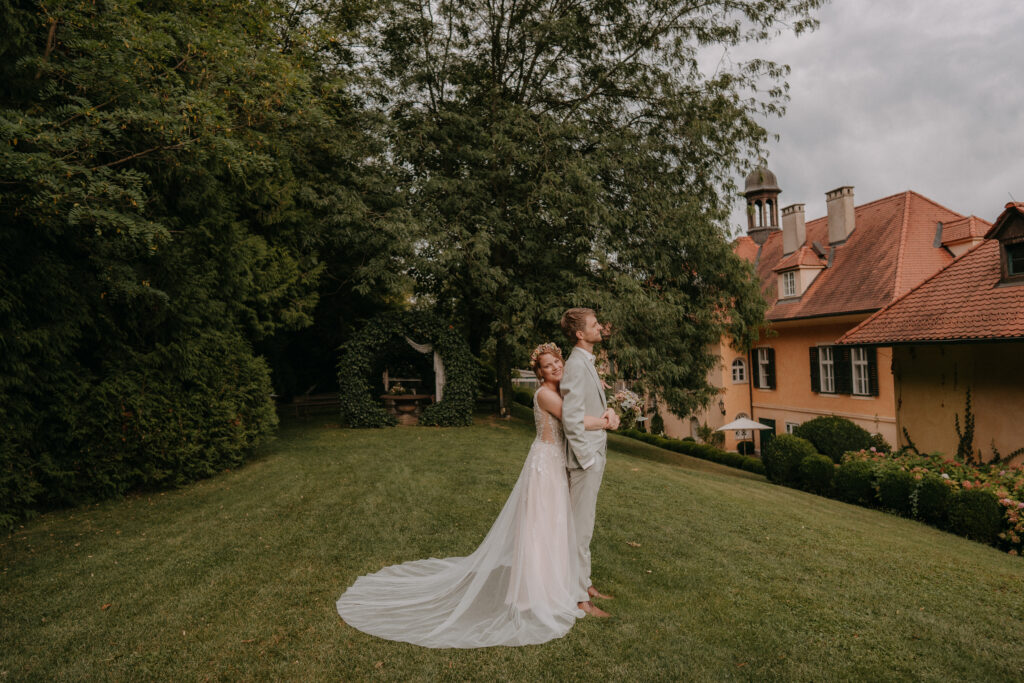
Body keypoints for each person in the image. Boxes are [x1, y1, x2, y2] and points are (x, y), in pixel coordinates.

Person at [336, 342, 612, 648]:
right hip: (546, 464)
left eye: (557, 362)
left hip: (557, 462)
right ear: (538, 372)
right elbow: (573, 420)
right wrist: (604, 421)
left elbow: (577, 405)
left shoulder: (561, 390)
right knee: (541, 526)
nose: (555, 368)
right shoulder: (546, 394)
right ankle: (535, 590)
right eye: (547, 366)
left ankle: (557, 582)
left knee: (554, 528)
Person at [559, 307, 620, 618]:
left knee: (587, 525)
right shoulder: (574, 366)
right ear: (580, 333)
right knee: (580, 530)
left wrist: (608, 414)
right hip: (585, 459)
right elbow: (570, 419)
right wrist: (587, 459)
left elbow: (589, 407)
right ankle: (579, 597)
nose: (600, 328)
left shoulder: (588, 362)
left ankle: (586, 582)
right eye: (595, 325)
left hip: (596, 452)